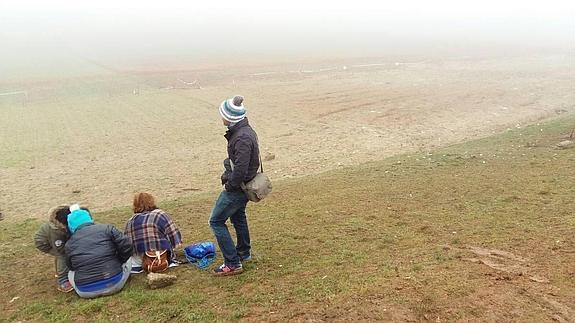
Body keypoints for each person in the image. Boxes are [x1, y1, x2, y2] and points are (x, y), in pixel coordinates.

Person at [209, 95, 260, 276]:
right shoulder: (244, 131)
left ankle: (232, 263)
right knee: (238, 217)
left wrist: (229, 185)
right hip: (244, 186)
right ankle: (243, 253)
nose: (221, 117)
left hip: (239, 188)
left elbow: (240, 169)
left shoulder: (241, 137)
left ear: (229, 116)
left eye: (222, 114)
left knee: (215, 221)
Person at [65, 206, 133, 298]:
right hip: (115, 283)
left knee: (70, 273)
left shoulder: (69, 244)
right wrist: (120, 260)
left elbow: (71, 267)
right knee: (129, 259)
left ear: (70, 226)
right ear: (89, 219)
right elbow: (127, 245)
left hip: (85, 292)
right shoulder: (107, 228)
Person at [124, 192, 183, 273]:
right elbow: (174, 235)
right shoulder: (159, 214)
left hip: (138, 261)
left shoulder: (130, 221)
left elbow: (127, 245)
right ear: (152, 201)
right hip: (160, 257)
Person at [33, 205, 73, 292]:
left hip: (56, 239)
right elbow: (60, 248)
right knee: (62, 255)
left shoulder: (64, 222)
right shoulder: (56, 230)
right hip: (44, 243)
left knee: (62, 253)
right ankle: (62, 281)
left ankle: (59, 272)